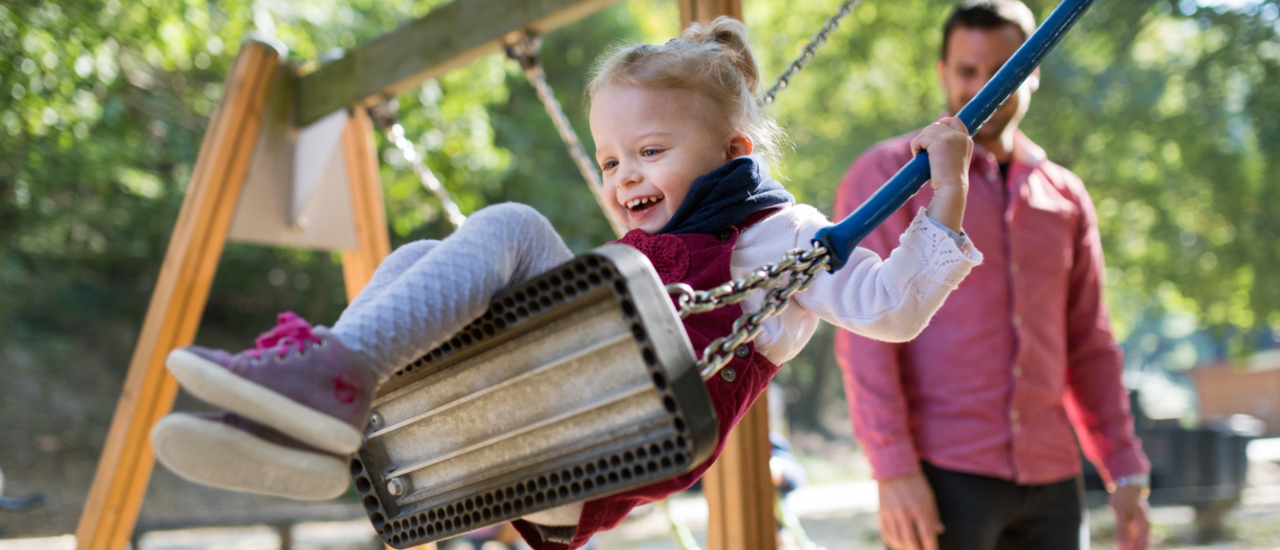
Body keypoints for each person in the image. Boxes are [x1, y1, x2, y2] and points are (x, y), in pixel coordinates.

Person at [151, 17, 982, 550]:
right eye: (612, 159)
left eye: (651, 152)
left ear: (736, 153)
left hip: (630, 428)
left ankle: (327, 381)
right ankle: (316, 428)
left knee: (512, 225)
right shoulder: (661, 241)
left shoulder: (781, 232)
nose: (625, 179)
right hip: (551, 446)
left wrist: (947, 192)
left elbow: (893, 308)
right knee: (410, 262)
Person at [833, 2, 1152, 550]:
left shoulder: (1065, 196)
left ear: (1033, 70)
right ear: (943, 74)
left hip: (1053, 479)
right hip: (944, 476)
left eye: (1002, 70)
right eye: (966, 72)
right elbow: (866, 340)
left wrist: (1123, 468)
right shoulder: (886, 176)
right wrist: (892, 470)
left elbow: (1090, 345)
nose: (982, 88)